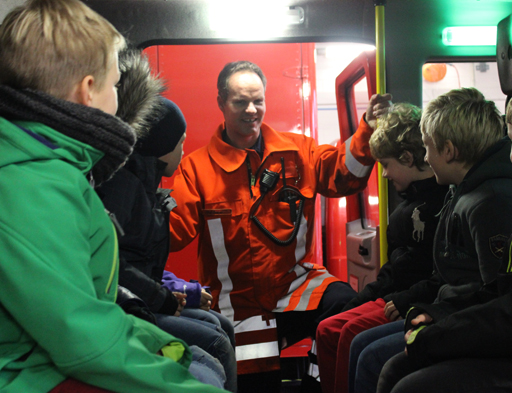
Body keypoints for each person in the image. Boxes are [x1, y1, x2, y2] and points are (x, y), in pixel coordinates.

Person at [0, 0, 226, 392]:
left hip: (52, 356)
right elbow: (79, 334)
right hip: (31, 374)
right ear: (89, 91)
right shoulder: (35, 185)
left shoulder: (56, 169)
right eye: (115, 84)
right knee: (203, 374)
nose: (119, 99)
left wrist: (160, 342)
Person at [168, 60, 391, 391]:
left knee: (349, 311)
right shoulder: (196, 169)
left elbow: (345, 175)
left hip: (297, 287)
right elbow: (173, 233)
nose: (251, 110)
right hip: (238, 302)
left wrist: (369, 130)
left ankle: (315, 384)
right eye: (240, 101)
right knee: (259, 386)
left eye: (258, 100)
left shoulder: (298, 151)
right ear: (221, 103)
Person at [377, 61, 512, 393]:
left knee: (411, 384)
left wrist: (443, 336)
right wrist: (444, 312)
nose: (510, 155)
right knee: (398, 369)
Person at [349, 87, 512, 393]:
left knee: (376, 359)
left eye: (429, 148)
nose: (426, 159)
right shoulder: (463, 190)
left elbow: (497, 295)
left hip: (473, 323)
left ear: (448, 151)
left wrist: (439, 318)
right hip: (450, 309)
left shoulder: (492, 201)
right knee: (364, 345)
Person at [97, 49, 237, 392]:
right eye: (180, 144)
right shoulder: (124, 188)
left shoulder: (146, 186)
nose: (184, 152)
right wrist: (163, 297)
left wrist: (175, 289)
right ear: (162, 147)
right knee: (215, 344)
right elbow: (117, 264)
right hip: (130, 310)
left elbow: (140, 261)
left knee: (220, 326)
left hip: (144, 300)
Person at [315, 102, 448, 393]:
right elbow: (397, 270)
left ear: (408, 157)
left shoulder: (433, 206)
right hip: (398, 294)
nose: (384, 175)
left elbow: (418, 273)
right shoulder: (410, 205)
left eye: (386, 165)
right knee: (327, 327)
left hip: (411, 299)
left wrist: (399, 300)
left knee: (347, 331)